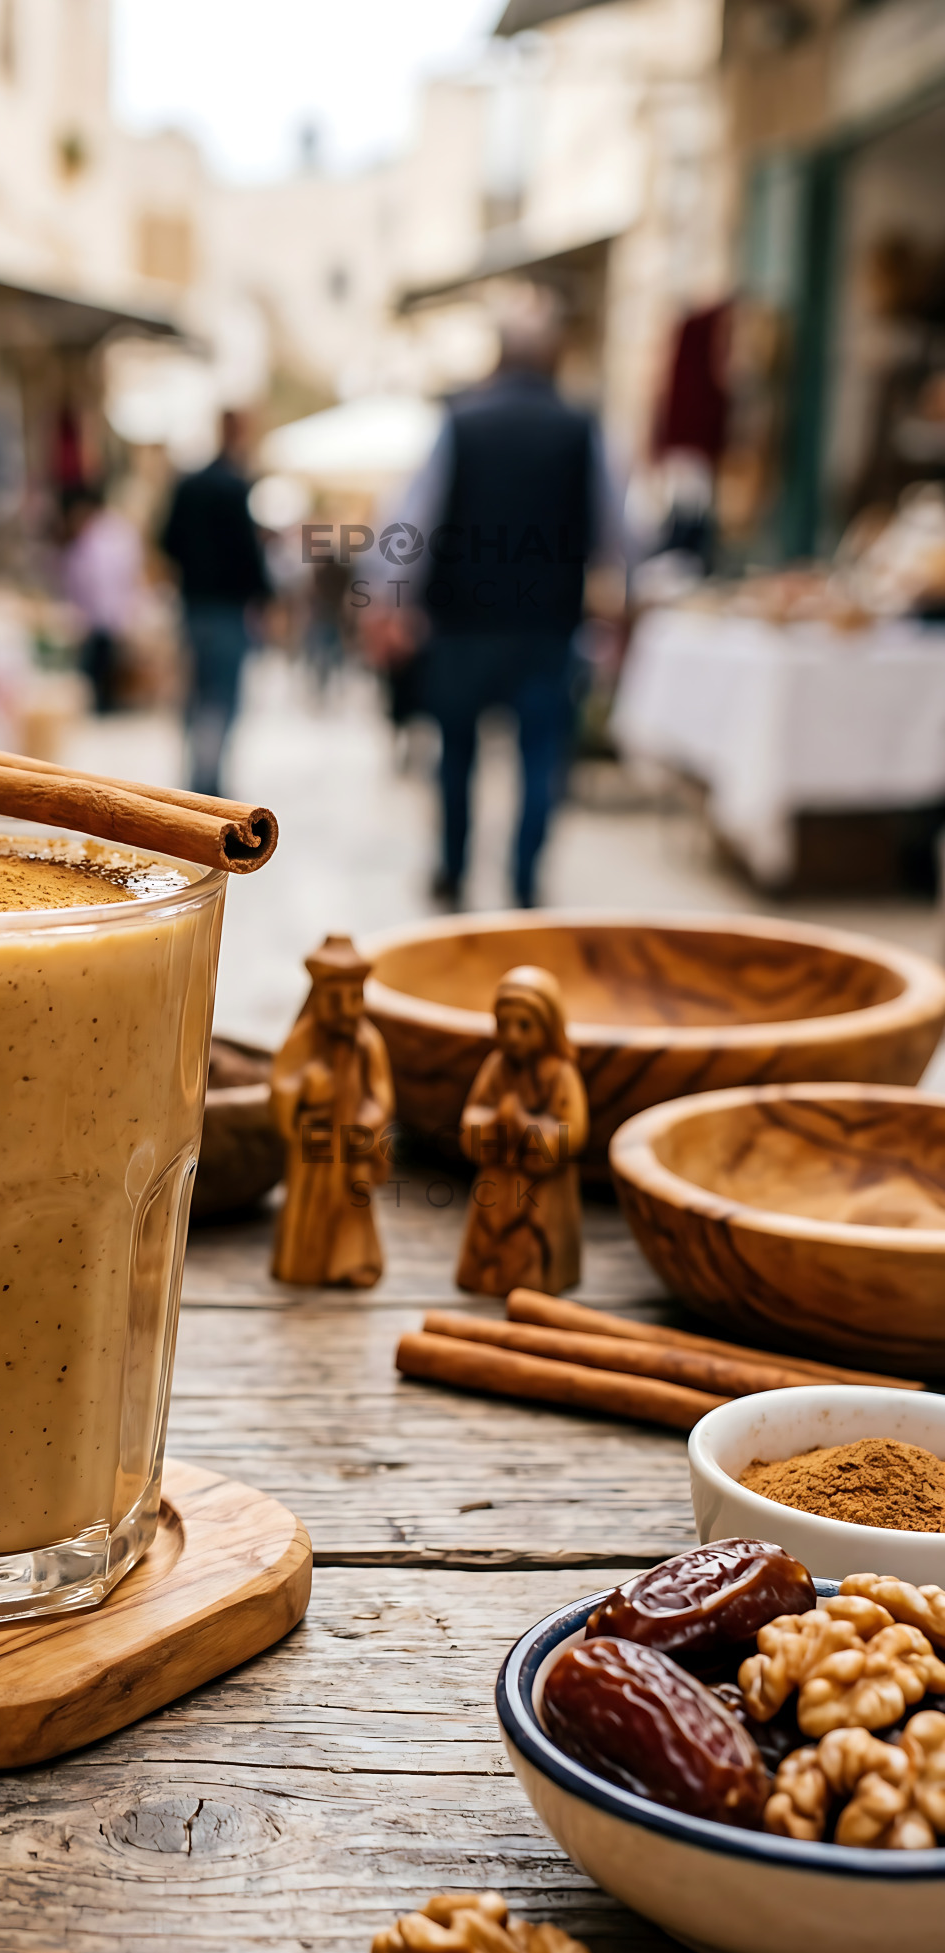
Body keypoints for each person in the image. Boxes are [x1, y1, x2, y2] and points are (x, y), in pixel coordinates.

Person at [367, 294, 626, 907]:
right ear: (555, 358)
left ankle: (454, 870)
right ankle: (525, 880)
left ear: (498, 357)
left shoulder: (461, 424)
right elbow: (619, 528)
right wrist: (627, 597)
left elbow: (412, 522)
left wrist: (387, 599)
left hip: (461, 621)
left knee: (456, 752)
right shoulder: (582, 429)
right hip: (546, 623)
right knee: (540, 757)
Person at [269, 935, 395, 1288]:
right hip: (317, 1146)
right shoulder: (303, 1040)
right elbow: (281, 1086)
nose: (347, 1010)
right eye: (335, 1000)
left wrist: (368, 1120)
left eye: (355, 998)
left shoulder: (368, 1041)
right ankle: (305, 1265)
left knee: (353, 1207)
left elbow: (380, 1094)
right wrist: (305, 1090)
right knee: (311, 1207)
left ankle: (354, 1262)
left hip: (352, 1142)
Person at [454, 964, 588, 1298]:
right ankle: (483, 1272)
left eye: (524, 1026)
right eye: (504, 1024)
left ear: (549, 1026)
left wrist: (527, 1125)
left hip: (543, 1189)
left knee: (532, 1249)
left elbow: (574, 1131)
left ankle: (534, 1280)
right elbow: (471, 1116)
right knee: (488, 1237)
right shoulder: (496, 1067)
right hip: (497, 1182)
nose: (512, 1036)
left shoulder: (561, 1074)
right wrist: (494, 1121)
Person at [159, 411, 270, 796]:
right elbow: (249, 556)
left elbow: (166, 541)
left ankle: (195, 778)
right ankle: (210, 782)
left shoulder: (188, 486)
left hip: (193, 606)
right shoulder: (235, 487)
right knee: (222, 698)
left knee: (195, 696)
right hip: (226, 610)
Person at [59, 486, 142, 714]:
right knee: (100, 661)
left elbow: (99, 579)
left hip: (104, 613)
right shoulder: (102, 534)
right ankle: (101, 704)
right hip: (99, 614)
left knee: (103, 662)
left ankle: (103, 704)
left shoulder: (103, 536)